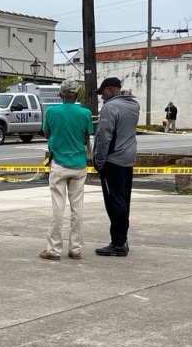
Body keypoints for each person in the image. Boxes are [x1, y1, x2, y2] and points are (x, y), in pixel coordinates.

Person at [38, 79, 93, 261]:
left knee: (58, 207)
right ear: (76, 94)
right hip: (78, 163)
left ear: (61, 94)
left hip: (60, 163)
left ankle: (54, 249)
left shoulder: (52, 111)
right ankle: (75, 248)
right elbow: (86, 137)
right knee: (78, 208)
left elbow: (47, 133)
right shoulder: (85, 113)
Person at [93, 77, 140, 257]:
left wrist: (99, 160)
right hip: (128, 159)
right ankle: (123, 239)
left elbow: (104, 136)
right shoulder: (133, 106)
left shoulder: (110, 107)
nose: (102, 97)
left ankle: (118, 242)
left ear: (110, 89)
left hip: (112, 160)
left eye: (103, 92)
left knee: (114, 202)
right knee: (124, 200)